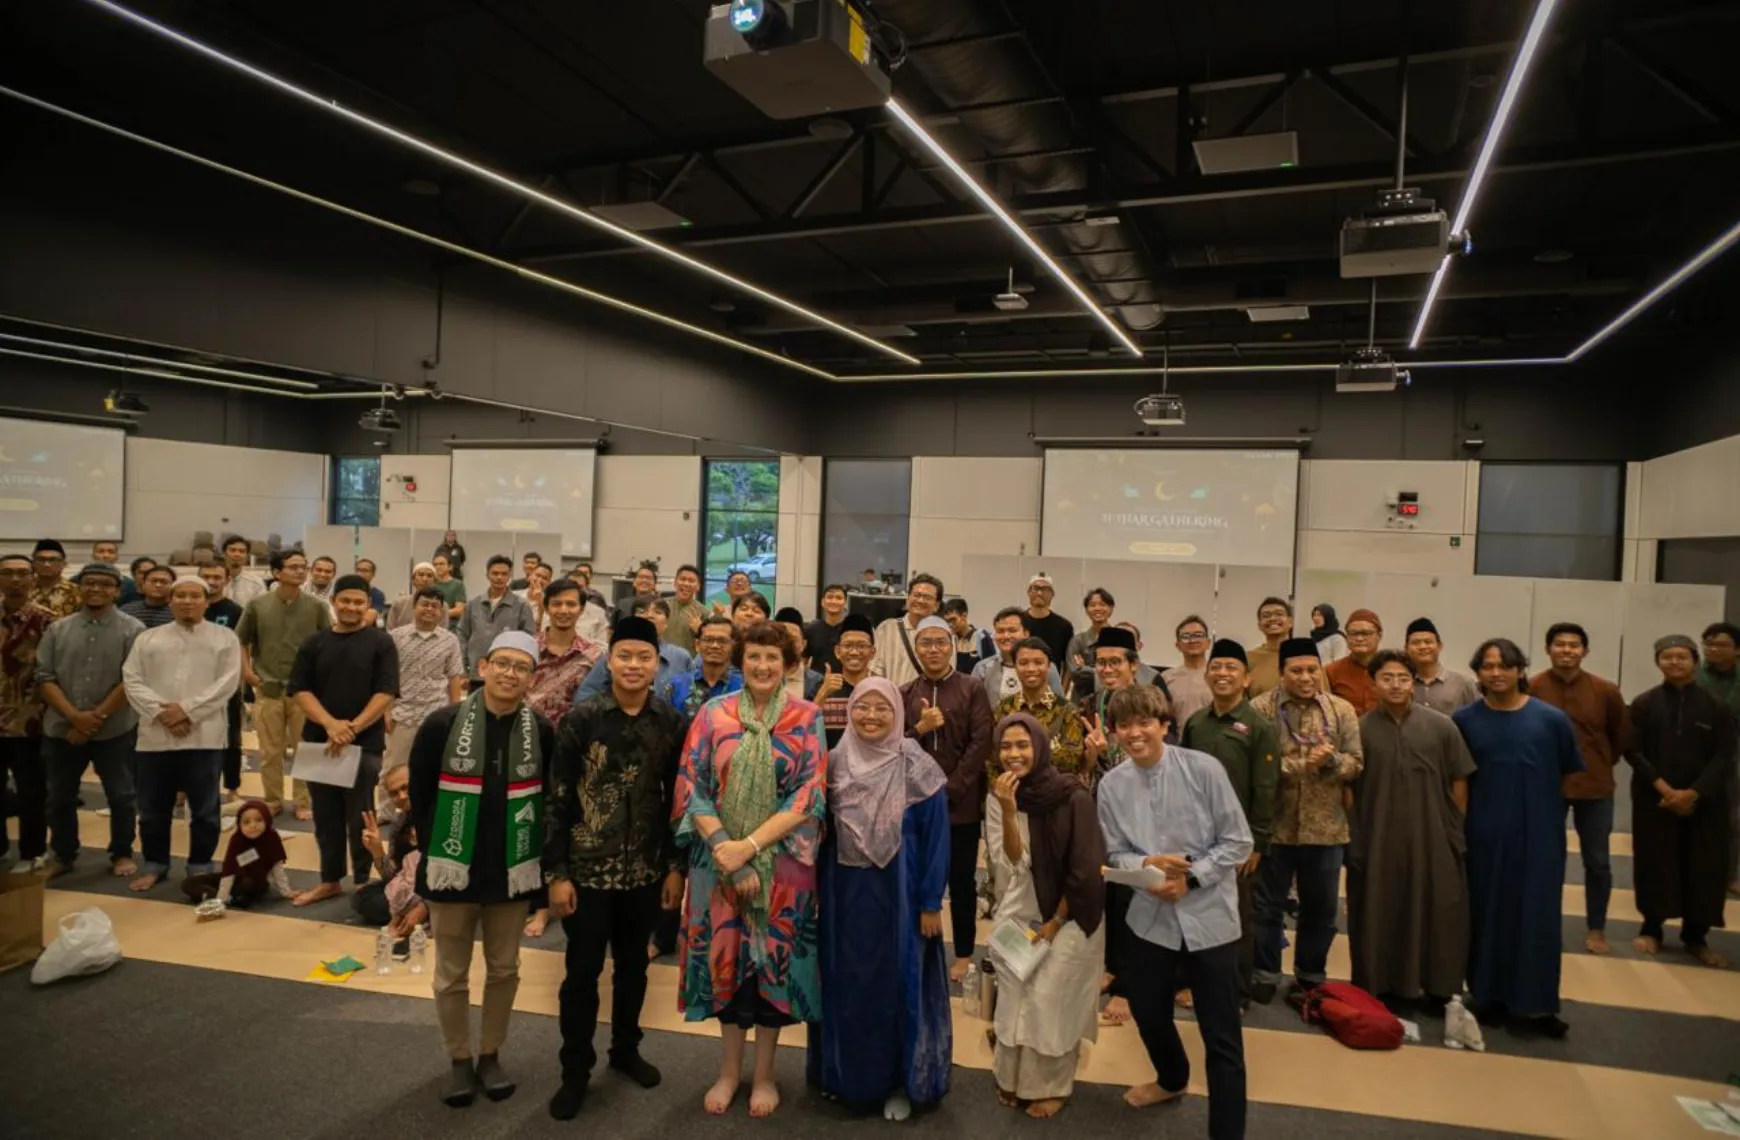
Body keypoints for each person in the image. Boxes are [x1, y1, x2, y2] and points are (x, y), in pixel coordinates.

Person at [674, 621, 827, 1119]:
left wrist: (751, 848)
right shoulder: (713, 714)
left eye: (773, 658)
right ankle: (728, 1071)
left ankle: (764, 1075)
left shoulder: (807, 717)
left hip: (781, 868)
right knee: (726, 963)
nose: (763, 666)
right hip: (717, 866)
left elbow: (809, 794)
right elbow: (691, 784)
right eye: (755, 657)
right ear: (742, 661)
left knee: (771, 969)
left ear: (789, 665)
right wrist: (725, 847)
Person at [545, 615, 688, 1118]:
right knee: (581, 975)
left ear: (657, 664)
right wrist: (557, 873)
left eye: (643, 657)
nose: (633, 665)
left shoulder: (670, 721)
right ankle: (574, 1072)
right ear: (610, 660)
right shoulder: (583, 720)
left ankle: (625, 1050)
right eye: (624, 655)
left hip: (646, 872)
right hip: (586, 873)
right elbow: (558, 798)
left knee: (633, 970)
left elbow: (678, 800)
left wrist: (675, 867)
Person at [409, 630, 555, 1107]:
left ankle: (490, 1054)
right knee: (450, 972)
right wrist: (438, 857)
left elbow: (549, 800)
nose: (510, 674)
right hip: (453, 867)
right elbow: (421, 800)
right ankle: (458, 1059)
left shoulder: (542, 732)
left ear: (532, 678)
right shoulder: (441, 725)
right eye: (503, 664)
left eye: (522, 668)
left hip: (512, 868)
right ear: (484, 666)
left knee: (504, 968)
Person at [1099, 685, 1252, 1138]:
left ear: (1165, 725)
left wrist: (1194, 875)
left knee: (1221, 1034)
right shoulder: (1112, 784)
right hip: (1149, 918)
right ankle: (1172, 1078)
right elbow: (1115, 852)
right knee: (1147, 1010)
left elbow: (1238, 841)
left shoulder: (1202, 769)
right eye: (1124, 725)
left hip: (1210, 917)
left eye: (1145, 722)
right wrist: (1146, 865)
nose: (1135, 733)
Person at [806, 678, 950, 1119]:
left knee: (897, 987)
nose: (870, 716)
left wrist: (930, 902)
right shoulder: (831, 764)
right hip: (843, 897)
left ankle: (901, 1082)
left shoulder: (916, 766)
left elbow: (936, 838)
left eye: (881, 708)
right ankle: (843, 1075)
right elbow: (815, 832)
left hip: (900, 901)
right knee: (845, 984)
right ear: (848, 712)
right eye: (861, 707)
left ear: (898, 713)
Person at [1453, 638, 1582, 1037]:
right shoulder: (1465, 721)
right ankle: (1488, 996)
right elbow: (1459, 780)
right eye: (1488, 666)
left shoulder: (1551, 720)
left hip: (1540, 836)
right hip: (1485, 834)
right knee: (1487, 913)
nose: (1496, 673)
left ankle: (1537, 1005)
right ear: (1478, 673)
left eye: (1505, 666)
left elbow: (1565, 771)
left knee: (1537, 916)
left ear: (1521, 671)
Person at [984, 712, 1104, 1118]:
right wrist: (1006, 807)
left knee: (1049, 998)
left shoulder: (1072, 795)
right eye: (1005, 746)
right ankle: (1014, 1078)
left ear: (1040, 746)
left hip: (1070, 913)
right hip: (1021, 906)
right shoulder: (1000, 794)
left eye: (1022, 745)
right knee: (1015, 994)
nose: (1013, 754)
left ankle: (1052, 1085)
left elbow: (1084, 870)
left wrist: (1054, 923)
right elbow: (1013, 861)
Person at [1349, 650, 1475, 1008]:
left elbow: (1459, 778)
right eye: (1386, 678)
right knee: (1379, 906)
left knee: (1439, 908)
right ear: (1373, 683)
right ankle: (1380, 984)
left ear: (1413, 682)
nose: (1395, 685)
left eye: (1403, 678)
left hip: (1433, 833)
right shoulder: (1359, 729)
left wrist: (1454, 826)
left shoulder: (1441, 726)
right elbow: (1348, 789)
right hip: (1377, 835)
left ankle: (1437, 987)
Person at [1249, 637, 1362, 1004]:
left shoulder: (1341, 710)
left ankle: (1310, 976)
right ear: (1282, 673)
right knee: (1267, 907)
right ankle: (1264, 973)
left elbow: (1356, 763)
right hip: (1275, 826)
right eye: (1296, 670)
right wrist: (1303, 765)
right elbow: (1258, 768)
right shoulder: (1261, 710)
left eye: (1312, 669)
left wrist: (1330, 762)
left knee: (1321, 909)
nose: (1305, 677)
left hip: (1325, 827)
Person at [121, 575, 239, 893]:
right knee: (152, 809)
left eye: (194, 596)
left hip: (204, 737)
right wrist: (162, 714)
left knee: (204, 809)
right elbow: (131, 680)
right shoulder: (148, 639)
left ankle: (199, 863)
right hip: (155, 737)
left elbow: (227, 683)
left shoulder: (224, 638)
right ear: (171, 601)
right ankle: (155, 863)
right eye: (181, 596)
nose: (188, 601)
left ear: (206, 601)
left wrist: (186, 711)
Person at [287, 574, 399, 907]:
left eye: (358, 602)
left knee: (360, 816)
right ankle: (330, 879)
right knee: (326, 817)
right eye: (345, 601)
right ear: (334, 603)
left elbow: (386, 691)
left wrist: (351, 728)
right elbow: (300, 690)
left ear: (368, 606)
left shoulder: (381, 642)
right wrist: (330, 724)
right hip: (320, 741)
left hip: (364, 743)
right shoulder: (315, 642)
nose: (351, 607)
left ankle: (363, 880)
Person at [1180, 639, 1280, 1004]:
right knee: (1195, 908)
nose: (1222, 674)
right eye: (1216, 667)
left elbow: (1266, 788)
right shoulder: (1196, 723)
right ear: (1207, 675)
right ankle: (1195, 982)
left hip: (1237, 841)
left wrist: (1256, 842)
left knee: (1237, 915)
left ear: (1247, 678)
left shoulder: (1259, 727)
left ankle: (1234, 993)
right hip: (1197, 836)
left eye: (1231, 668)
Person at [1626, 635, 1734, 969]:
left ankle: (1696, 936)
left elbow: (1724, 755)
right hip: (1654, 800)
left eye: (1682, 657)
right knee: (1655, 861)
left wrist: (1693, 793)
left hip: (1706, 802)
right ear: (1658, 661)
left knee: (1704, 865)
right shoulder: (1644, 703)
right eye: (1667, 657)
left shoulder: (1717, 707)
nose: (1675, 663)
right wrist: (1664, 790)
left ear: (1695, 661)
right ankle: (1652, 928)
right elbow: (1633, 751)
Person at [901, 614, 994, 984]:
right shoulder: (905, 692)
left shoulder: (972, 688)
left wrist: (951, 788)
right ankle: (919, 944)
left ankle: (965, 952)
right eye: (926, 643)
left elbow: (980, 741)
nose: (934, 649)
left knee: (961, 879)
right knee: (918, 876)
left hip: (961, 805)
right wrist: (920, 728)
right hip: (915, 805)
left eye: (941, 642)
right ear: (917, 648)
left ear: (952, 647)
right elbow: (895, 744)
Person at [1530, 622, 1630, 955]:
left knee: (1598, 861)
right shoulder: (1533, 687)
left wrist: (1597, 765)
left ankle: (1596, 928)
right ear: (1548, 649)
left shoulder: (1606, 691)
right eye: (1560, 644)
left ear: (1585, 651)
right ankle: (1541, 925)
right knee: (1543, 858)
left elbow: (1618, 739)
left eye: (1574, 645)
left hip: (1595, 787)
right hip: (1547, 787)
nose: (1567, 650)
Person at [38, 562, 144, 877]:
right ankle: (63, 854)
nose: (96, 589)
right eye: (89, 583)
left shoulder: (133, 629)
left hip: (114, 729)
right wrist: (74, 717)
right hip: (62, 728)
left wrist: (94, 718)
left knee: (122, 796)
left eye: (104, 584)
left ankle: (121, 852)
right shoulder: (58, 628)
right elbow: (44, 676)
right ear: (79, 587)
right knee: (59, 797)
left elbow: (131, 680)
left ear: (117, 590)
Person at [236, 550, 330, 818]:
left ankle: (302, 801)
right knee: (270, 751)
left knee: (305, 749)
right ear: (277, 573)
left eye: (304, 566)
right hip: (268, 687)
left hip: (305, 691)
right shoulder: (257, 605)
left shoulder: (317, 607)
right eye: (294, 567)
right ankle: (273, 799)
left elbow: (328, 643)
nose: (301, 571)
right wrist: (248, 674)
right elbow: (241, 641)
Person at [0, 553, 55, 874]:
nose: (15, 580)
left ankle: (32, 851)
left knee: (32, 793)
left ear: (33, 578)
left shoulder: (47, 622)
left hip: (30, 722)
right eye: (7, 573)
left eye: (22, 573)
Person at [387, 586, 467, 772]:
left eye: (435, 606)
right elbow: (386, 677)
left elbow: (454, 678)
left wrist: (454, 715)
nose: (429, 609)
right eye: (425, 604)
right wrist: (386, 711)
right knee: (392, 770)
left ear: (441, 611)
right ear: (414, 607)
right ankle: (389, 803)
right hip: (402, 714)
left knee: (433, 769)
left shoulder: (450, 640)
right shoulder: (395, 637)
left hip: (435, 714)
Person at [991, 637, 1086, 780]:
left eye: (1038, 662)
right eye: (1023, 663)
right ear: (1015, 666)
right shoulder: (1003, 708)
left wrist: (1019, 758)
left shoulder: (1067, 710)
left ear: (1049, 666)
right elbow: (992, 756)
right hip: (1010, 791)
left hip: (1054, 792)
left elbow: (1071, 760)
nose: (1031, 669)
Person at [1694, 622, 1740, 897]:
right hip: (1697, 752)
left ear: (1737, 650)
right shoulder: (1695, 675)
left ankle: (1730, 875)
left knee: (1732, 819)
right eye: (1708, 643)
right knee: (1695, 814)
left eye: (1721, 644)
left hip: (1734, 756)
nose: (1712, 649)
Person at [575, 596, 690, 703]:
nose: (649, 615)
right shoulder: (613, 655)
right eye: (642, 611)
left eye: (658, 612)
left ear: (666, 623)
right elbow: (584, 697)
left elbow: (692, 700)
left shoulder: (681, 657)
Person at [182, 799, 293, 908]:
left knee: (247, 885)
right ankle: (219, 897)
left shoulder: (271, 838)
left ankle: (214, 897)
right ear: (239, 824)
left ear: (267, 820)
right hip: (236, 877)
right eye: (246, 822)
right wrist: (221, 899)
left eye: (259, 820)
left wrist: (286, 891)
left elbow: (277, 867)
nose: (253, 825)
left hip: (255, 881)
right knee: (188, 883)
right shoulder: (237, 840)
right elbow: (229, 871)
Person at [196, 562, 246, 802]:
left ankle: (232, 788)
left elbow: (241, 648)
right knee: (193, 736)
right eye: (206, 576)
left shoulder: (235, 611)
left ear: (226, 580)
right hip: (194, 682)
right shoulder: (189, 607)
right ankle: (186, 787)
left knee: (230, 737)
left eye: (217, 577)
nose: (212, 581)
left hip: (227, 683)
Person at [525, 579, 602, 724]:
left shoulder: (593, 656)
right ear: (546, 608)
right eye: (557, 604)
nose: (564, 610)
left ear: (582, 609)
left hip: (572, 738)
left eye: (571, 604)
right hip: (529, 735)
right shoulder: (527, 649)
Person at [354, 762, 419, 928]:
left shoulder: (438, 816)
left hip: (434, 891)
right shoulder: (398, 824)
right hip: (408, 885)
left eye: (406, 788)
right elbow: (391, 875)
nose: (402, 796)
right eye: (395, 793)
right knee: (363, 896)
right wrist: (377, 851)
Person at [457, 555, 539, 677]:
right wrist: (463, 669)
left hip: (507, 674)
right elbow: (462, 637)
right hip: (476, 672)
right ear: (487, 575)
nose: (499, 577)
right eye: (495, 573)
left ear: (509, 576)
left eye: (504, 574)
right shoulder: (473, 604)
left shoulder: (522, 606)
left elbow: (528, 640)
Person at [973, 607, 1061, 705]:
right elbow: (974, 707)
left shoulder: (1046, 667)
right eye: (1000, 631)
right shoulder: (982, 668)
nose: (1006, 636)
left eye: (1012, 630)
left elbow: (1059, 705)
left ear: (1026, 634)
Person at [871, 572, 943, 688]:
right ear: (907, 598)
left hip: (928, 704)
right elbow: (875, 672)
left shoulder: (945, 636)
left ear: (937, 605)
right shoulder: (887, 629)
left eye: (927, 597)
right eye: (916, 595)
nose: (920, 600)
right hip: (893, 702)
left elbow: (947, 678)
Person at [670, 614, 742, 720]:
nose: (714, 646)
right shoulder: (677, 685)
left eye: (722, 641)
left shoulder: (743, 687)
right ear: (697, 645)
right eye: (708, 640)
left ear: (733, 646)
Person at [816, 613, 873, 748]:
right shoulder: (821, 687)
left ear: (872, 652)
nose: (854, 652)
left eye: (861, 646)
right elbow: (803, 732)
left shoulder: (882, 689)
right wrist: (822, 695)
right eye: (848, 645)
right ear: (837, 651)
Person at [1405, 617, 1480, 715]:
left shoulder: (1463, 683)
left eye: (1428, 642)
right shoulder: (1402, 684)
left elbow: (1479, 716)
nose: (1422, 647)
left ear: (1440, 646)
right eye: (1416, 643)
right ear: (1406, 648)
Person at [1323, 608, 1382, 715]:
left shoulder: (1390, 669)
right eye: (1353, 633)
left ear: (1379, 636)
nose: (1359, 638)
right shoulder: (1331, 671)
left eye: (1366, 633)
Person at [1162, 615, 1213, 726]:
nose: (1192, 640)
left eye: (1198, 635)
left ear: (1208, 642)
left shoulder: (1219, 675)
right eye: (1186, 636)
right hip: (1177, 742)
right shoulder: (1165, 678)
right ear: (1178, 645)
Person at [1021, 575, 1074, 667]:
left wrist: (1063, 682)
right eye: (1035, 588)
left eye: (1045, 589)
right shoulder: (1018, 622)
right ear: (1028, 592)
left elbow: (1069, 662)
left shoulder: (1064, 626)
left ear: (1052, 595)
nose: (1039, 593)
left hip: (1052, 680)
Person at [1246, 597, 1293, 698]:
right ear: (1259, 625)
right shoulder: (1249, 658)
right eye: (1266, 615)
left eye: (1279, 614)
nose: (1272, 619)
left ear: (1290, 622)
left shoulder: (1305, 655)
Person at [1064, 587, 1114, 674]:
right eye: (1092, 605)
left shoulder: (1120, 638)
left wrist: (1086, 668)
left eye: (1102, 604)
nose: (1097, 608)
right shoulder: (1078, 641)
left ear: (1111, 609)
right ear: (1087, 611)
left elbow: (1122, 670)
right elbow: (1075, 671)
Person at [940, 597, 995, 676]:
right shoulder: (950, 639)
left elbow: (991, 667)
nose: (950, 624)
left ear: (964, 616)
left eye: (953, 619)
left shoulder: (981, 636)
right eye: (947, 621)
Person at [801, 584, 848, 674]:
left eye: (839, 598)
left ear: (845, 603)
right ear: (822, 602)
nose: (834, 601)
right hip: (817, 683)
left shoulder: (851, 629)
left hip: (846, 682)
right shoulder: (810, 630)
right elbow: (803, 660)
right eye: (830, 597)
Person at [29, 540, 78, 619]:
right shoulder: (22, 589)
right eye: (41, 559)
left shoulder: (77, 592)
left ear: (64, 564)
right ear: (33, 563)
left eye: (53, 560)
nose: (46, 564)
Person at [666, 564, 707, 656]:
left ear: (698, 587)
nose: (686, 583)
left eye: (691, 581)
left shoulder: (704, 612)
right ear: (675, 583)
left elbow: (709, 641)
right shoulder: (661, 606)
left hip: (689, 664)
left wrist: (700, 630)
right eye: (683, 579)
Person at [388, 563, 440, 630]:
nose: (425, 579)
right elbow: (390, 630)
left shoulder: (441, 605)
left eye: (429, 576)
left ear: (434, 581)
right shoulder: (399, 603)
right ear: (413, 580)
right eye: (421, 575)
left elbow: (443, 633)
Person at [222, 536, 265, 606]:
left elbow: (261, 609)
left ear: (247, 556)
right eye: (232, 550)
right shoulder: (214, 579)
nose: (237, 554)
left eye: (242, 551)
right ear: (224, 554)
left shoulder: (256, 582)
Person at [93, 541, 134, 606]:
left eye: (111, 552)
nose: (106, 555)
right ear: (93, 555)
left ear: (117, 556)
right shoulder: (77, 580)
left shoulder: (129, 584)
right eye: (101, 551)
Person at [432, 554, 467, 627]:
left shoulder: (457, 585)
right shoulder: (430, 584)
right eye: (435, 564)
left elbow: (459, 610)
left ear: (450, 567)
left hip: (450, 626)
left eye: (441, 564)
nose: (438, 567)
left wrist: (438, 613)